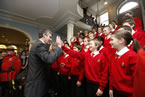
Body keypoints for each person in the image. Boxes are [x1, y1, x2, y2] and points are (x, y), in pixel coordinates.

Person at [24, 29, 63, 97]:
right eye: (50, 37)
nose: (51, 39)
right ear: (44, 35)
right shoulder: (39, 45)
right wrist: (59, 47)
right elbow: (49, 60)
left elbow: (43, 60)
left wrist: (49, 52)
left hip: (39, 81)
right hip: (36, 83)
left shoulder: (39, 45)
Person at [109, 30, 137, 97]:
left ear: (121, 40)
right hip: (116, 91)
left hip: (128, 94)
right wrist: (111, 88)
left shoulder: (132, 56)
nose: (110, 42)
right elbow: (112, 74)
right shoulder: (114, 55)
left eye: (112, 40)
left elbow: (136, 79)